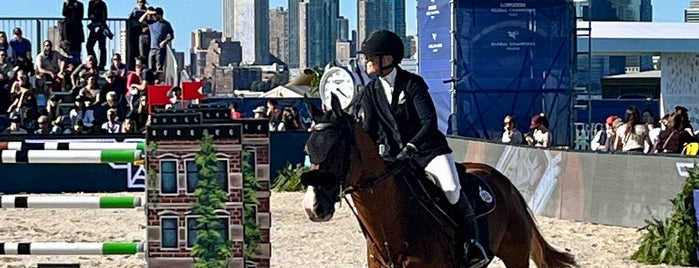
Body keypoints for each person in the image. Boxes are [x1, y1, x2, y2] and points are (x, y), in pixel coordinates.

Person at [356, 29, 489, 267]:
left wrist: (411, 147)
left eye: (371, 57)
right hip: (395, 160)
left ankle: (472, 245)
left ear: (387, 59)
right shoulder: (370, 92)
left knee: (451, 189)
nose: (366, 62)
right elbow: (369, 131)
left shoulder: (412, 84)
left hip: (428, 152)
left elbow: (429, 122)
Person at [139, 7, 174, 71]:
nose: (153, 16)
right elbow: (140, 20)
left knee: (159, 68)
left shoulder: (166, 24)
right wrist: (147, 12)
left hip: (160, 50)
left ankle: (158, 80)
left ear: (160, 15)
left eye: (155, 15)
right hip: (152, 49)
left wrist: (165, 42)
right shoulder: (151, 22)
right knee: (150, 68)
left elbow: (172, 36)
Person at [86, 0, 109, 71]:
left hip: (101, 27)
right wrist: (92, 16)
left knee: (102, 47)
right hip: (93, 27)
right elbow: (89, 14)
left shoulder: (103, 4)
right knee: (89, 45)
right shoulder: (91, 3)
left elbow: (104, 17)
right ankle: (94, 62)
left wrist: (95, 17)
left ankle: (102, 65)